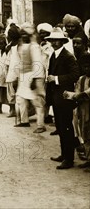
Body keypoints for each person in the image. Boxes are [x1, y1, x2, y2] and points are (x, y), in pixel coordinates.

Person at [45, 27, 80, 169]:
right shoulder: (54, 55)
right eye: (52, 41)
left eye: (56, 41)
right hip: (56, 97)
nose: (54, 43)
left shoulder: (68, 56)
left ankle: (69, 159)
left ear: (62, 42)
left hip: (65, 97)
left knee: (66, 127)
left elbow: (75, 75)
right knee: (60, 127)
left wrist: (57, 79)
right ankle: (64, 154)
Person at [14, 24, 46, 133]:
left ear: (30, 35)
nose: (23, 36)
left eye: (25, 34)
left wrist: (35, 79)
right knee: (20, 99)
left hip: (33, 76)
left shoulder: (34, 47)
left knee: (37, 101)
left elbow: (37, 63)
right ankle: (24, 121)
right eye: (22, 34)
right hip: (23, 76)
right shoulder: (23, 46)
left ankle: (40, 125)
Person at [63, 53, 90, 170]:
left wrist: (80, 95)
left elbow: (86, 92)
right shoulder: (82, 79)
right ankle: (89, 158)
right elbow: (77, 91)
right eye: (84, 67)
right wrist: (72, 95)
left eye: (89, 66)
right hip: (83, 110)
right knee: (85, 133)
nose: (86, 69)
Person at [0, 34, 9, 114]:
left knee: (6, 91)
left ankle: (11, 109)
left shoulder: (7, 53)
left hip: (5, 74)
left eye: (2, 44)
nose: (0, 46)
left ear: (5, 44)